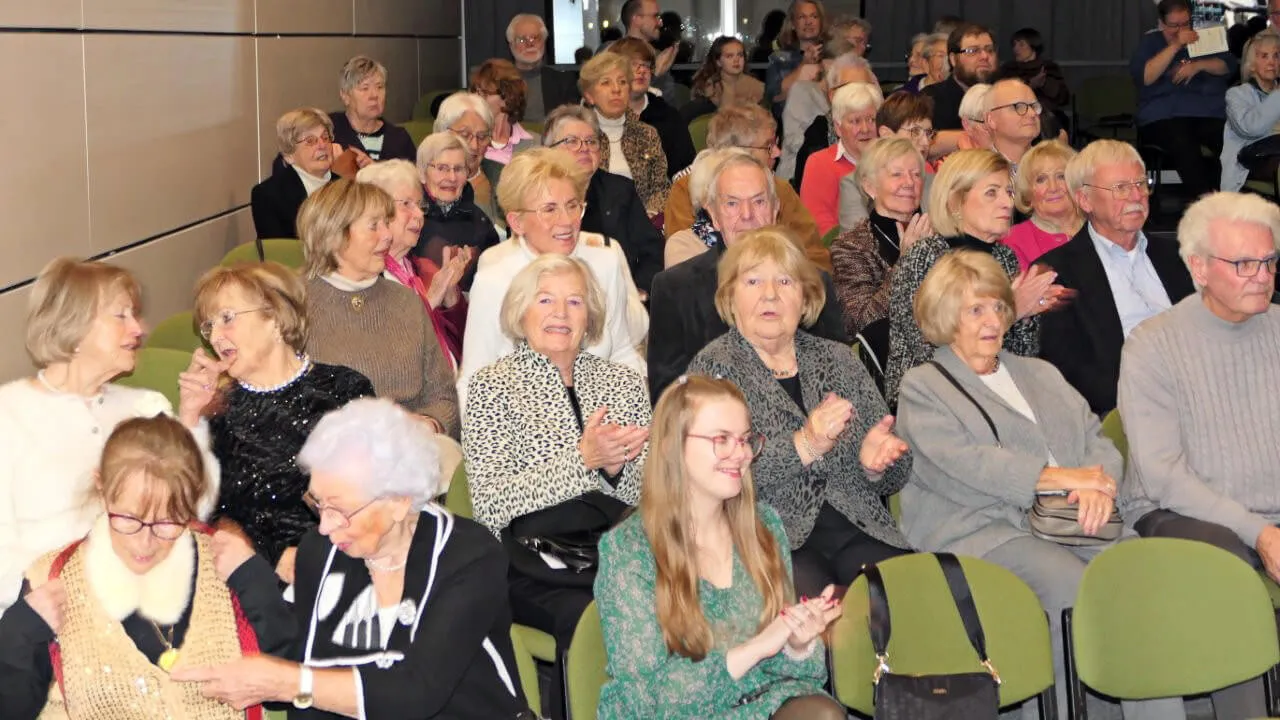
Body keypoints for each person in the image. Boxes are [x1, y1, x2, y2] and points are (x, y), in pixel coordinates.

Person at [894, 251, 1184, 719]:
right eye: (975, 310)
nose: (992, 321)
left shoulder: (1039, 372)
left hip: (1070, 519)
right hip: (980, 530)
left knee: (1137, 575)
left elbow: (1096, 437)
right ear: (946, 317)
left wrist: (1097, 487)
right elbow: (967, 465)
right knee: (1067, 586)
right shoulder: (924, 386)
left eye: (997, 307)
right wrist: (1061, 478)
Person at [177, 398, 534, 719]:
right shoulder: (323, 551)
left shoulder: (468, 556)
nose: (325, 526)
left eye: (341, 510)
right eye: (318, 504)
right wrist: (251, 577)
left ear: (399, 501)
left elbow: (417, 692)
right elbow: (299, 670)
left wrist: (287, 682)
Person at [0, 415, 293, 719]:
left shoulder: (229, 566)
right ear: (102, 487)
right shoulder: (51, 578)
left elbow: (286, 693)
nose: (145, 543)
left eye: (168, 522)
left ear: (192, 500)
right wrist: (18, 633)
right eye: (128, 519)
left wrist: (255, 582)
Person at [595, 375, 844, 720]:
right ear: (670, 446)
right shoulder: (629, 551)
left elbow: (802, 675)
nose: (741, 454)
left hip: (762, 705)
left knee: (822, 713)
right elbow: (643, 703)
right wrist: (755, 649)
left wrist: (797, 643)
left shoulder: (764, 526)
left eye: (744, 440)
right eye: (721, 439)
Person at [1117, 193, 1280, 720]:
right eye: (1244, 263)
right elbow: (1163, 476)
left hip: (1269, 513)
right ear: (1199, 268)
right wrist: (1259, 531)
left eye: (1270, 261)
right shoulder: (1153, 345)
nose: (1262, 276)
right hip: (1179, 513)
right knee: (1223, 562)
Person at [463, 255, 648, 718]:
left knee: (672, 600)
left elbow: (648, 492)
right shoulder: (492, 386)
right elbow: (490, 504)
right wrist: (582, 462)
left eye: (575, 302)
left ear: (591, 317)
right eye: (545, 300)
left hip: (616, 548)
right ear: (521, 312)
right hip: (528, 561)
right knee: (598, 616)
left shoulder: (624, 383)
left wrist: (613, 470)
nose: (561, 313)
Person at [688, 228, 911, 596]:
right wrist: (804, 444)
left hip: (860, 531)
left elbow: (898, 472)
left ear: (805, 297)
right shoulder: (713, 370)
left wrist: (877, 465)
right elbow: (709, 477)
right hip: (769, 540)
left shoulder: (838, 359)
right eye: (753, 281)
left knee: (911, 601)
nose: (770, 294)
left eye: (785, 281)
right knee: (822, 617)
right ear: (730, 296)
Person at [0, 258, 219, 612]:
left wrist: (191, 421)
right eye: (121, 316)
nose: (139, 328)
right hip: (45, 610)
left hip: (143, 604)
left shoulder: (146, 408)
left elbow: (194, 511)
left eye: (135, 315)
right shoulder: (8, 414)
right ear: (73, 324)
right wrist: (53, 594)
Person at [188, 261, 374, 577]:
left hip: (340, 565)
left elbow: (371, 500)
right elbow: (201, 515)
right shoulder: (217, 409)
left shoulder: (345, 391)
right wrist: (191, 418)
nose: (215, 337)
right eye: (209, 326)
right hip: (248, 576)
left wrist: (312, 561)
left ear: (274, 318)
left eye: (227, 318)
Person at [459, 149, 648, 411]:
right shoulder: (494, 282)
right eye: (549, 209)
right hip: (524, 422)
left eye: (572, 205)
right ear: (516, 222)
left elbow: (622, 351)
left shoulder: (604, 263)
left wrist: (634, 415)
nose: (567, 221)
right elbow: (474, 379)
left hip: (601, 415)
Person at [884, 149, 1061, 408]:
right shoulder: (925, 257)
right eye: (992, 193)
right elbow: (931, 352)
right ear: (956, 201)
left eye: (1009, 192)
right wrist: (1011, 313)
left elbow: (1019, 358)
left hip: (995, 394)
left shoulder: (1005, 258)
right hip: (930, 400)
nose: (1007, 203)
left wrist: (1026, 316)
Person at [1038, 140, 1194, 417]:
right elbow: (1068, 368)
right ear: (1084, 200)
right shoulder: (1057, 272)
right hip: (1123, 410)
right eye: (1120, 188)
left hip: (1197, 393)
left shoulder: (1180, 256)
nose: (1136, 196)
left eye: (1140, 184)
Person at [298, 179, 460, 437]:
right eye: (374, 226)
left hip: (414, 445)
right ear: (333, 235)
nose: (387, 235)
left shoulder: (406, 301)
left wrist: (429, 425)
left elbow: (444, 397)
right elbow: (282, 409)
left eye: (387, 223)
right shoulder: (293, 305)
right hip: (332, 451)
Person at [665, 105, 825, 270]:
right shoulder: (686, 190)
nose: (778, 153)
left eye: (759, 201)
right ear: (735, 153)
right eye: (768, 146)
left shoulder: (781, 189)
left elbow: (815, 257)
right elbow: (686, 267)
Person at [359, 158, 469, 369]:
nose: (419, 215)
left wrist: (450, 298)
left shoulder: (423, 269)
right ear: (375, 212)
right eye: (407, 204)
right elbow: (382, 355)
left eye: (420, 205)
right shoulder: (365, 278)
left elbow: (464, 344)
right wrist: (430, 300)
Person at [543, 104, 665, 295]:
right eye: (572, 141)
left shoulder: (621, 190)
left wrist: (638, 291)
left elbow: (652, 251)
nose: (584, 148)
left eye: (591, 141)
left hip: (620, 293)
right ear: (549, 150)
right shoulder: (537, 195)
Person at [1131, 0, 1236, 198]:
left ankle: (1231, 196)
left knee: (1230, 139)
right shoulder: (1151, 42)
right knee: (1181, 139)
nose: (1181, 30)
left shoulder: (1204, 37)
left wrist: (1198, 65)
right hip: (1164, 116)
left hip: (1207, 112)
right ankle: (1204, 199)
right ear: (1161, 23)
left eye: (1185, 23)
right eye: (1174, 25)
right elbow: (1146, 76)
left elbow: (1227, 66)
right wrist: (1176, 45)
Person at [830, 137, 930, 338]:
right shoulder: (851, 247)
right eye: (897, 174)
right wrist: (905, 264)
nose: (909, 182)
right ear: (870, 187)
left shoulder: (940, 236)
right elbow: (861, 323)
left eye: (916, 174)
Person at [578, 52, 671, 217]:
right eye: (606, 82)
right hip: (591, 221)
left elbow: (661, 188)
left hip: (643, 221)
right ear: (589, 96)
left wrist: (648, 216)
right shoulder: (579, 136)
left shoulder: (646, 134)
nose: (616, 89)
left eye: (622, 82)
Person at [412, 131, 500, 294]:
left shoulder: (480, 221)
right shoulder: (409, 218)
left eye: (459, 169)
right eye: (442, 168)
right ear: (422, 173)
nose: (452, 178)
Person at [837, 92, 936, 229]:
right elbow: (856, 237)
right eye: (915, 132)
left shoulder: (935, 182)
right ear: (886, 134)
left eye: (928, 133)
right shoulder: (855, 184)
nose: (925, 142)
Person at [799, 82, 884, 235]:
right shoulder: (820, 164)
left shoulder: (895, 161)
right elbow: (822, 229)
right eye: (855, 121)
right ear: (838, 128)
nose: (865, 129)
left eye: (871, 119)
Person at [608, 37, 696, 179]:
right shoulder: (596, 117)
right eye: (633, 64)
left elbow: (685, 173)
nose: (642, 70)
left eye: (647, 65)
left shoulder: (669, 117)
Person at [781, 53, 875, 185]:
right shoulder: (818, 135)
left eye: (866, 88)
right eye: (851, 89)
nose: (860, 95)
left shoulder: (884, 129)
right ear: (833, 95)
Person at [251, 108, 336, 240]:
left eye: (325, 137)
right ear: (289, 155)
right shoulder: (269, 195)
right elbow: (278, 250)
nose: (322, 145)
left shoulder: (346, 186)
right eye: (310, 141)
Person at [1001, 140, 1082, 272]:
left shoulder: (1100, 227)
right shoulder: (1014, 240)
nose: (1053, 187)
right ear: (1028, 193)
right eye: (1041, 180)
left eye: (1061, 176)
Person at [328, 56, 416, 167]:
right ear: (345, 96)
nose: (374, 95)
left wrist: (375, 170)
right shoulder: (329, 129)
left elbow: (414, 176)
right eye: (365, 88)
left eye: (380, 87)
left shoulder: (399, 138)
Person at [1222, 29, 1280, 192]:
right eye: (1264, 56)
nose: (1272, 62)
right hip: (1251, 163)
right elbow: (1251, 128)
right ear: (1252, 64)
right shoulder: (1236, 95)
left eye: (1276, 55)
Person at [433, 92, 501, 224]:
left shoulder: (503, 177)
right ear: (443, 134)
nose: (474, 146)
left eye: (482, 136)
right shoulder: (423, 181)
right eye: (465, 135)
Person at [507, 13, 581, 123]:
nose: (530, 44)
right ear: (511, 44)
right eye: (522, 40)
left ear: (544, 42)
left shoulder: (565, 82)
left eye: (535, 38)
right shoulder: (499, 81)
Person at [926, 23, 999, 132]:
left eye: (990, 50)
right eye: (972, 51)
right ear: (953, 59)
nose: (984, 56)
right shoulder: (931, 99)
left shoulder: (1007, 95)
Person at [471, 59, 543, 167]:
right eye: (475, 92)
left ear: (507, 97)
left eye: (483, 93)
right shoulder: (466, 142)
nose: (475, 99)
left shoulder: (536, 145)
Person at [766, 0, 827, 116]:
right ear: (793, 24)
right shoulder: (779, 59)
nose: (808, 22)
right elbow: (775, 97)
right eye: (802, 17)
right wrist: (804, 65)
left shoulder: (832, 56)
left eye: (814, 16)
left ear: (821, 22)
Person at [999, 28, 1070, 116]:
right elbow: (1002, 97)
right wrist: (1030, 85)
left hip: (1046, 117)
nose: (1015, 49)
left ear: (1033, 46)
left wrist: (1045, 84)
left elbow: (1063, 98)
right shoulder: (1009, 69)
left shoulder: (1049, 67)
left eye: (1021, 44)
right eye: (1014, 44)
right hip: (1016, 116)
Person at [689, 36, 765, 116]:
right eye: (730, 56)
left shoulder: (756, 86)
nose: (736, 60)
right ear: (718, 62)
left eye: (740, 55)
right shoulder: (706, 88)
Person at [620, 0, 677, 99]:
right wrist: (656, 74)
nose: (660, 23)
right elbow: (617, 99)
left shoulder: (658, 56)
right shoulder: (610, 52)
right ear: (637, 19)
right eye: (655, 16)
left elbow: (667, 101)